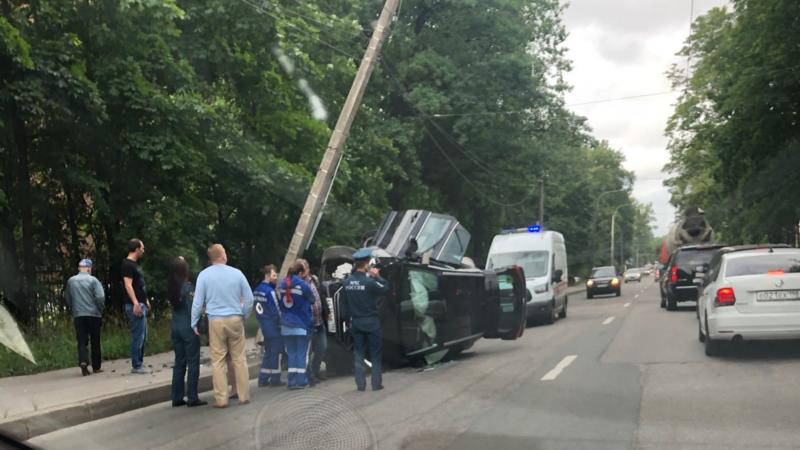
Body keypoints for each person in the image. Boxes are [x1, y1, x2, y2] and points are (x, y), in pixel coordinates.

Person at [191, 244, 254, 408]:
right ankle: (243, 395)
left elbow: (197, 302)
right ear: (222, 255)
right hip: (235, 318)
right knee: (239, 358)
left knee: (218, 360)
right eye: (225, 252)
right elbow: (249, 299)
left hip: (215, 321)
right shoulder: (237, 273)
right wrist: (244, 315)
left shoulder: (204, 276)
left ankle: (221, 399)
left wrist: (194, 322)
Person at [341, 248, 390, 391]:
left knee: (358, 353)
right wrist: (378, 277)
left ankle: (360, 384)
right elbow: (387, 289)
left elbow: (343, 306)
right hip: (371, 322)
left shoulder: (347, 282)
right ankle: (376, 384)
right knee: (375, 353)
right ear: (367, 263)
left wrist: (348, 320)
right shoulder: (370, 282)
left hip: (356, 322)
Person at [168, 257, 207, 407]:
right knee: (193, 362)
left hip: (175, 327)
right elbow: (193, 309)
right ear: (184, 270)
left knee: (179, 362)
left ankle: (176, 397)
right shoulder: (187, 287)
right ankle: (192, 397)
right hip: (188, 328)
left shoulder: (171, 287)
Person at [65, 258, 105, 376]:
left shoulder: (71, 281)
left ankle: (83, 361)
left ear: (79, 268)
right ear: (89, 268)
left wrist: (73, 308)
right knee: (95, 340)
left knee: (82, 341)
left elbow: (67, 296)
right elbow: (100, 297)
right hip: (94, 315)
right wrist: (99, 309)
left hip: (79, 315)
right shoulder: (93, 280)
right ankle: (96, 367)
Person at [278, 261, 315, 390]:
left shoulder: (282, 284)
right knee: (301, 353)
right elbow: (312, 299)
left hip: (286, 325)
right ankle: (301, 381)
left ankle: (292, 381)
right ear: (299, 273)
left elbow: (280, 304)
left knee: (292, 353)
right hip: (301, 324)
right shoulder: (302, 285)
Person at [121, 238, 152, 374]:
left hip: (140, 302)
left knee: (143, 336)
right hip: (135, 304)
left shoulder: (134, 264)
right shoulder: (128, 265)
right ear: (137, 249)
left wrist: (145, 300)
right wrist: (135, 303)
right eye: (142, 248)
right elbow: (128, 285)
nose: (143, 251)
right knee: (138, 336)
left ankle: (139, 362)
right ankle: (136, 365)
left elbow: (139, 285)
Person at [253, 264, 284, 387]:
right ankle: (275, 379)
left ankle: (263, 378)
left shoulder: (257, 290)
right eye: (274, 275)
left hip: (264, 325)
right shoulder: (270, 292)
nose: (275, 278)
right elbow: (276, 311)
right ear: (267, 275)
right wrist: (280, 324)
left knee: (268, 352)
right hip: (273, 326)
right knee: (276, 352)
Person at [299, 259, 328, 384]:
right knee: (308, 352)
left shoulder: (314, 280)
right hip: (307, 323)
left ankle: (315, 371)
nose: (304, 270)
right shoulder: (298, 284)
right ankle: (309, 375)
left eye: (305, 267)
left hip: (319, 321)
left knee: (322, 347)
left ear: (308, 269)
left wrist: (326, 311)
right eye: (301, 268)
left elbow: (321, 296)